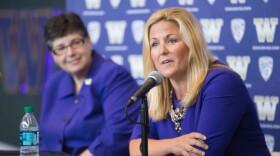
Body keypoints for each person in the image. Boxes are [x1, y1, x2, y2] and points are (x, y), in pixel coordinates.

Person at [129, 7, 270, 156]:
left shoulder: (223, 82)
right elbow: (135, 148)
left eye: (172, 40)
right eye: (155, 44)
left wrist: (156, 149)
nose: (162, 50)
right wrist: (173, 145)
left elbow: (201, 153)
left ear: (192, 45)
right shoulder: (158, 91)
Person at [40, 12, 140, 156]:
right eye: (61, 48)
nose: (70, 53)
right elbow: (43, 139)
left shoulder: (114, 76)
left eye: (75, 42)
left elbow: (118, 133)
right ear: (54, 56)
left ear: (88, 42)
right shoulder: (53, 84)